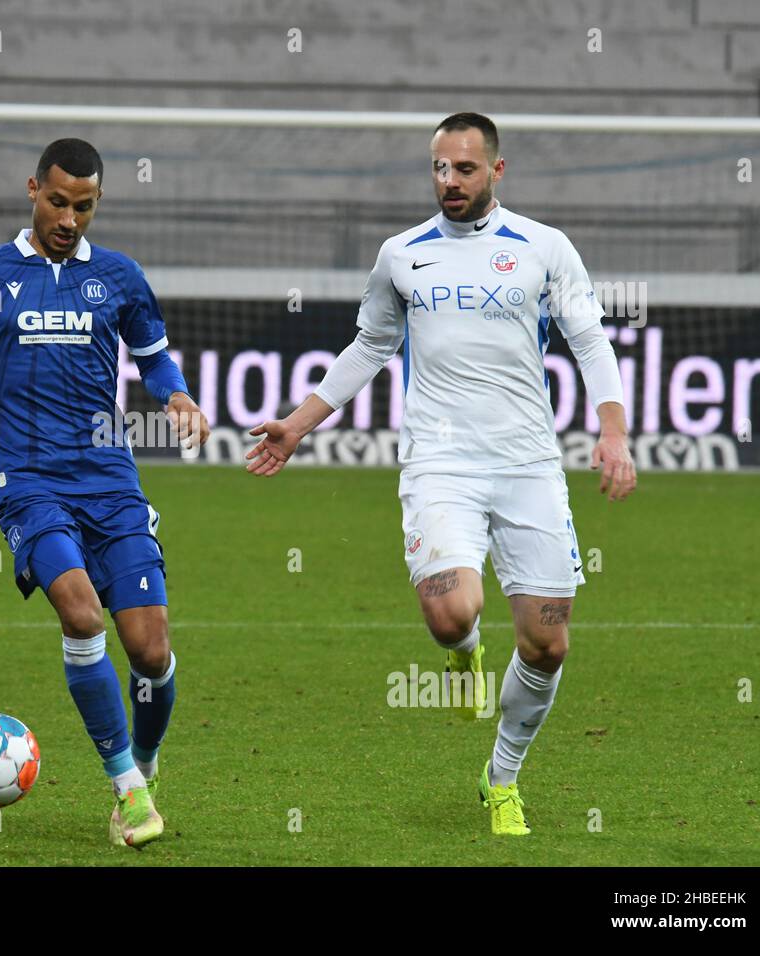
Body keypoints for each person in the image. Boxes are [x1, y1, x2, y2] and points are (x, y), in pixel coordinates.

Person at [245, 112, 636, 836]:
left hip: (527, 465)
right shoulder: (401, 255)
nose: (448, 182)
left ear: (496, 170)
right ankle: (463, 658)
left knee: (547, 643)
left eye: (463, 169)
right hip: (439, 463)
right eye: (438, 169)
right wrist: (297, 425)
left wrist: (613, 432)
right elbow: (370, 346)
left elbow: (590, 339)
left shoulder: (543, 248)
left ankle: (502, 778)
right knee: (454, 610)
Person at [0, 138, 209, 848]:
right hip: (28, 482)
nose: (69, 218)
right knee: (81, 613)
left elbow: (156, 365)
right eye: (58, 202)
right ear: (34, 189)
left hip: (109, 478)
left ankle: (146, 763)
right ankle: (127, 791)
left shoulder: (121, 278)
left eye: (84, 206)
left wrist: (180, 399)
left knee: (151, 652)